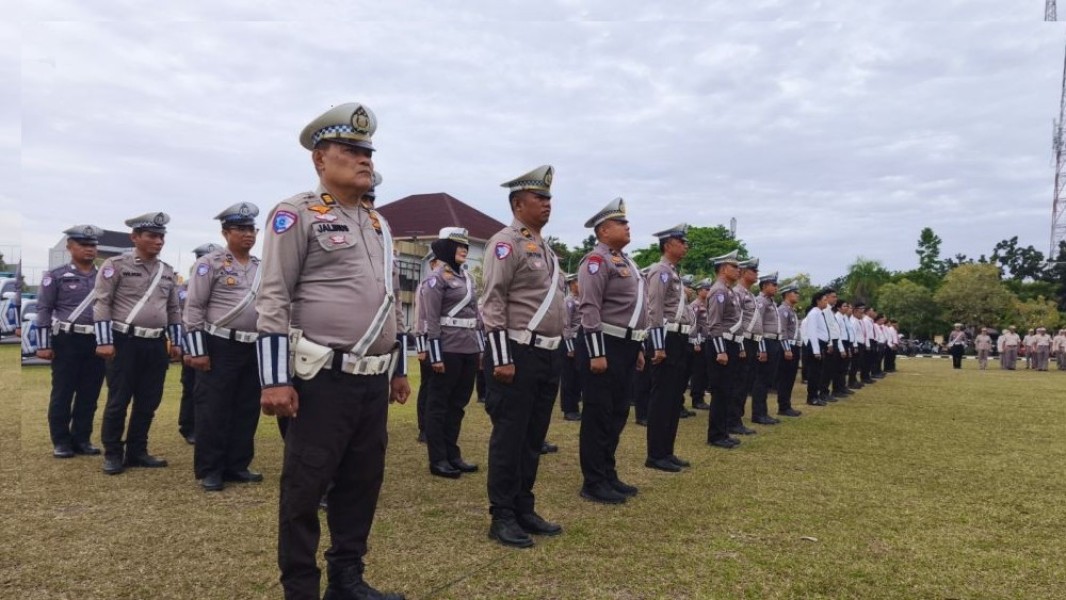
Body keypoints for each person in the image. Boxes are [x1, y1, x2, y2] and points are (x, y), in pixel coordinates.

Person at [255, 102, 408, 600]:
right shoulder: (296, 213)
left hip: (372, 377)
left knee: (362, 482)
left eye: (368, 150)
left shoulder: (377, 223)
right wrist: (275, 379)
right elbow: (273, 295)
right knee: (305, 488)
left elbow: (391, 302)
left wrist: (398, 368)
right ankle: (301, 589)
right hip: (321, 377)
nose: (364, 158)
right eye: (351, 149)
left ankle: (348, 578)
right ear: (320, 158)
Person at [481, 164, 566, 548]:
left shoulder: (545, 248)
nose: (547, 204)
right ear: (518, 203)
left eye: (549, 197)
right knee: (510, 437)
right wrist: (501, 357)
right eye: (540, 198)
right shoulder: (506, 242)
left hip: (547, 354)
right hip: (516, 351)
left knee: (533, 437)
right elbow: (493, 300)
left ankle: (523, 506)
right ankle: (501, 515)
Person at [94, 212, 183, 475]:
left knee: (148, 400)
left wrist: (177, 342)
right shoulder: (116, 265)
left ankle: (137, 450)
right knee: (118, 400)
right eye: (152, 236)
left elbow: (174, 309)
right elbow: (102, 303)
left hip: (156, 343)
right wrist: (104, 341)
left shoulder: (166, 271)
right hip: (125, 341)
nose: (159, 241)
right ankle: (112, 452)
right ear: (135, 237)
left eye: (161, 236)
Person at [182, 203, 263, 492]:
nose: (248, 234)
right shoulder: (211, 263)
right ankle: (210, 469)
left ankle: (237, 465)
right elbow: (194, 308)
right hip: (219, 344)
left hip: (252, 346)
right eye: (240, 229)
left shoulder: (260, 267)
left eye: (251, 229)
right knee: (213, 408)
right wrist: (197, 350)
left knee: (246, 407)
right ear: (225, 232)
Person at [576, 198, 648, 504]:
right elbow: (589, 307)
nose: (628, 226)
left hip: (627, 344)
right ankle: (593, 481)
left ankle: (608, 472)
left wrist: (639, 346)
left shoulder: (626, 261)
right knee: (598, 414)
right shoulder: (596, 261)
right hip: (603, 343)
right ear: (604, 230)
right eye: (621, 223)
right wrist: (596, 352)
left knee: (618, 412)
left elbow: (634, 309)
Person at [35, 225, 107, 458]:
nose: (89, 249)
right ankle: (61, 441)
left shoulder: (103, 278)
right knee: (63, 392)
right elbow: (44, 309)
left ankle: (82, 438)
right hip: (67, 338)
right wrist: (44, 344)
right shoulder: (55, 276)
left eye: (93, 245)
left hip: (96, 339)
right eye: (83, 245)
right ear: (70, 247)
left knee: (90, 392)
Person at [421, 227, 482, 479]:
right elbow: (430, 319)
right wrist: (435, 355)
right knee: (438, 406)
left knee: (458, 405)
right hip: (446, 349)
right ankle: (439, 459)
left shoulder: (468, 279)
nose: (464, 250)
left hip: (468, 348)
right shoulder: (436, 279)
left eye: (466, 246)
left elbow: (477, 317)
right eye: (459, 245)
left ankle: (453, 454)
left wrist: (482, 349)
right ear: (446, 247)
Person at [644, 223, 693, 472]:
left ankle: (667, 450)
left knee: (674, 398)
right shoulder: (660, 271)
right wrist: (658, 346)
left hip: (680, 338)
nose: (685, 246)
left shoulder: (673, 272)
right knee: (662, 397)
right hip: (666, 338)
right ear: (668, 245)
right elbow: (655, 308)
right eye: (681, 241)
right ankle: (655, 454)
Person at [179, 242, 224, 445]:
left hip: (216, 342)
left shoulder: (224, 282)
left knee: (212, 391)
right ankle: (189, 427)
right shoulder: (185, 288)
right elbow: (183, 320)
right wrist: (188, 349)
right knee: (192, 388)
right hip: (193, 343)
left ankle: (209, 427)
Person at [705, 250, 743, 449]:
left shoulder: (729, 291)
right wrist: (721, 350)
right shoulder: (719, 290)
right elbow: (715, 323)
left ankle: (723, 431)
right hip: (722, 345)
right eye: (735, 266)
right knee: (720, 391)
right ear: (723, 269)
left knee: (727, 390)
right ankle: (716, 435)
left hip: (731, 343)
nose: (739, 270)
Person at [411, 253, 441, 443]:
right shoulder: (426, 285)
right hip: (429, 344)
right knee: (428, 386)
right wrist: (421, 347)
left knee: (439, 389)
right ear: (432, 264)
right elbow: (420, 318)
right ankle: (424, 428)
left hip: (446, 344)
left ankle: (436, 426)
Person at [729, 258, 760, 433]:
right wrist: (740, 346)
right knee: (738, 382)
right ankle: (733, 420)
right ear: (743, 272)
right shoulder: (738, 293)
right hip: (743, 341)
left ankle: (736, 418)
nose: (756, 274)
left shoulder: (750, 295)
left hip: (752, 341)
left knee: (745, 382)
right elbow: (737, 321)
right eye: (753, 271)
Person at [750, 271, 782, 425]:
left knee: (768, 379)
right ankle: (758, 413)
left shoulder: (772, 302)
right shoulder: (761, 302)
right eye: (773, 285)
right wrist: (761, 348)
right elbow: (758, 325)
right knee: (761, 380)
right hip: (766, 342)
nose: (776, 287)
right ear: (764, 286)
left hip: (774, 342)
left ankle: (763, 411)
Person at [774, 284, 803, 418]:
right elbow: (782, 330)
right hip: (787, 347)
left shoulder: (791, 310)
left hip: (794, 346)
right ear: (786, 294)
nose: (797, 295)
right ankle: (783, 406)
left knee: (790, 377)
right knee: (785, 378)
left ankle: (786, 405)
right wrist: (786, 348)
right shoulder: (783, 310)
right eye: (794, 292)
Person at [801, 290, 831, 407]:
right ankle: (812, 397)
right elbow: (812, 332)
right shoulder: (814, 313)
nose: (826, 302)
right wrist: (816, 350)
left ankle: (815, 396)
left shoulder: (819, 313)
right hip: (816, 345)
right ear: (818, 301)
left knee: (818, 373)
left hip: (820, 344)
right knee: (814, 373)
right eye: (824, 300)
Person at [560, 273, 583, 421]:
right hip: (571, 341)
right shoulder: (568, 301)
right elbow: (565, 325)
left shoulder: (583, 299)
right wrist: (569, 347)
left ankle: (575, 405)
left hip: (581, 340)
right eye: (578, 282)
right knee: (569, 377)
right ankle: (569, 409)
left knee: (578, 376)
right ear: (572, 284)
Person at [688, 279, 712, 411]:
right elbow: (694, 324)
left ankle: (701, 396)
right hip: (699, 341)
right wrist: (696, 341)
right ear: (699, 291)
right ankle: (696, 398)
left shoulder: (707, 304)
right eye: (706, 289)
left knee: (704, 371)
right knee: (698, 371)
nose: (708, 291)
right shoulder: (695, 305)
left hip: (707, 340)